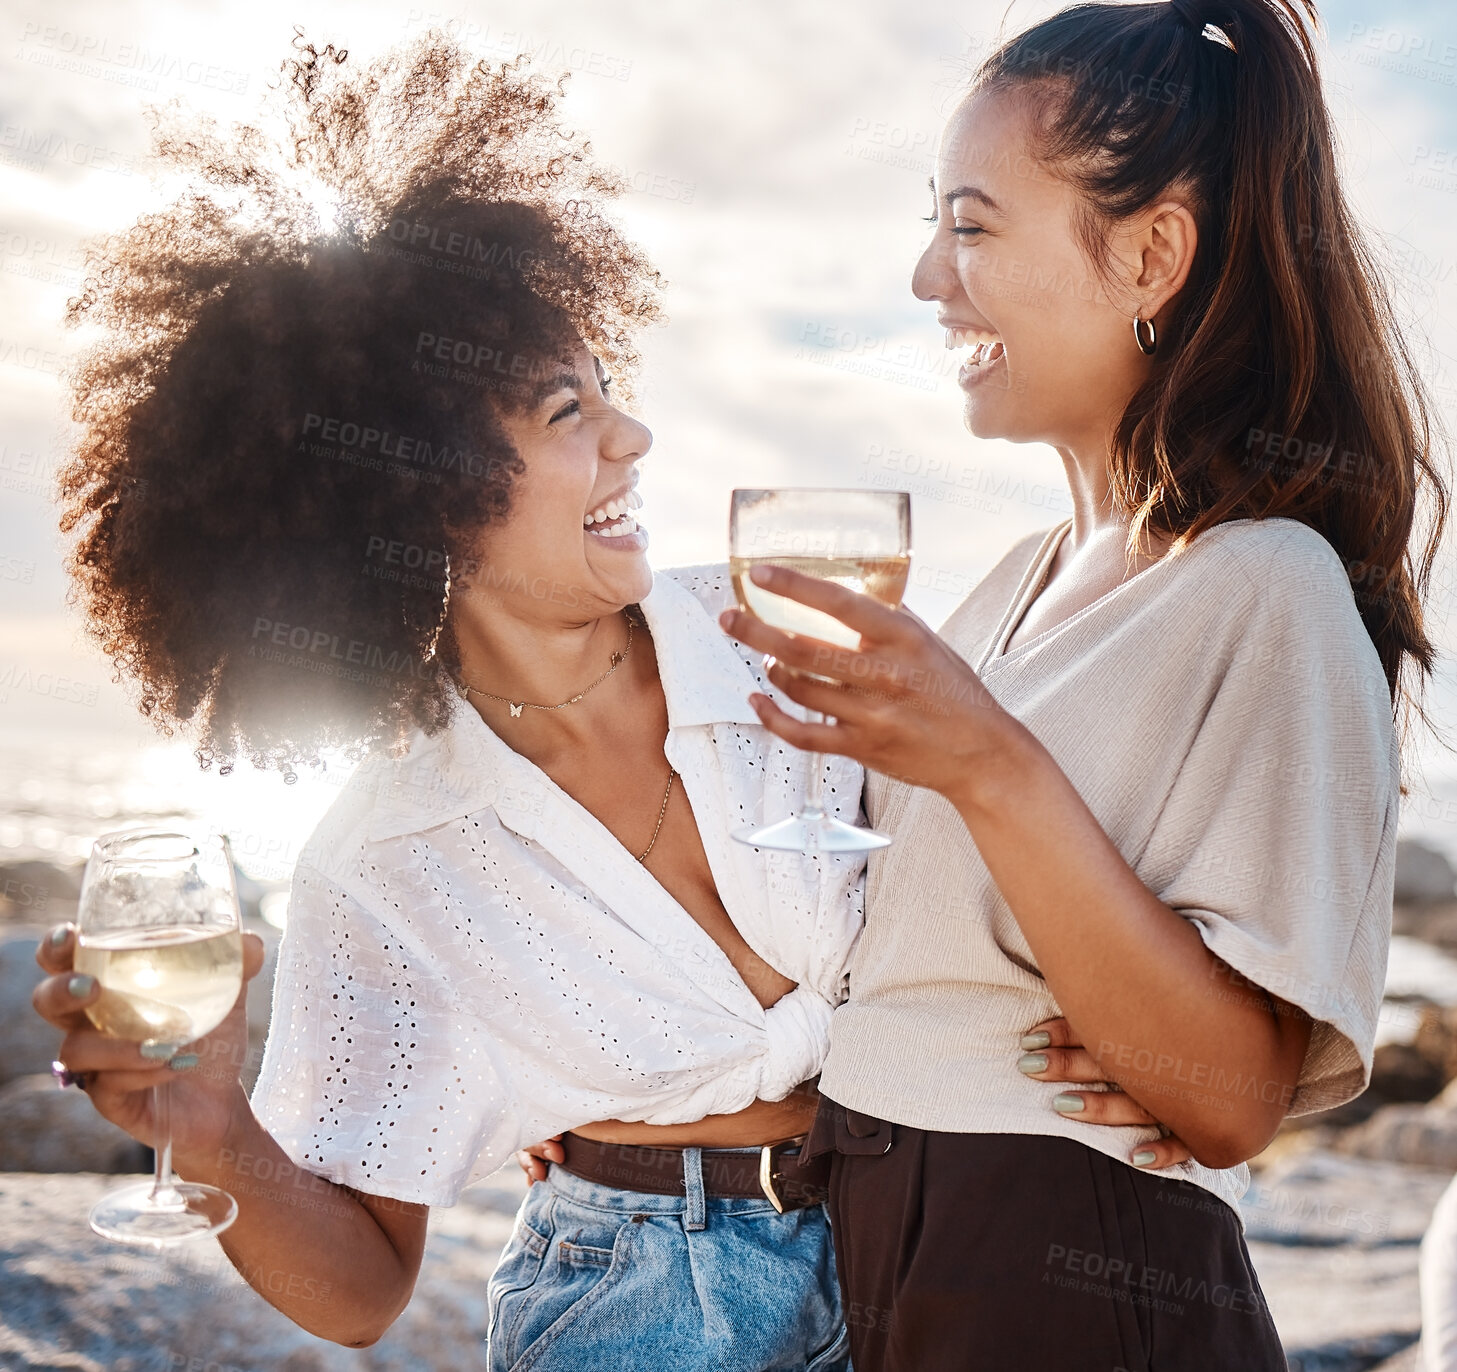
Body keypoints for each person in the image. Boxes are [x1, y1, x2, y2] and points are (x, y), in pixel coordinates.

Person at [29, 31, 1169, 1371]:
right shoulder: (384, 863)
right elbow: (358, 1293)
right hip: (633, 1310)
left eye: (608, 392)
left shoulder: (784, 638)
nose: (632, 438)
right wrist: (212, 1126)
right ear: (424, 492)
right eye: (568, 411)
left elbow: (1018, 873)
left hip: (929, 1245)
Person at [719, 0, 1449, 1368]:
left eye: (973, 224)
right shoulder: (1011, 578)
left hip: (1062, 1277)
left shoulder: (1267, 585)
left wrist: (990, 769)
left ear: (1149, 253)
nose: (929, 277)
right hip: (889, 1251)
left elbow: (1229, 1100)